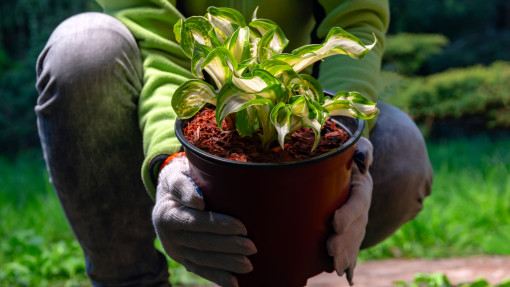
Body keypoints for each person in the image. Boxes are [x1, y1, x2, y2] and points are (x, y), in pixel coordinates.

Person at [35, 0, 433, 286]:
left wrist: (350, 156)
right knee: (81, 49)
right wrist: (169, 160)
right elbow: (155, 37)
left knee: (402, 152)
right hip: (178, 112)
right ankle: (129, 278)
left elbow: (356, 17)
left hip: (298, 111)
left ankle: (283, 269)